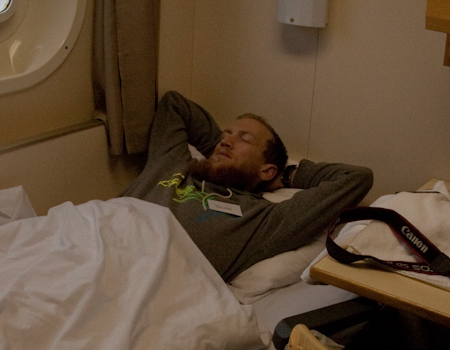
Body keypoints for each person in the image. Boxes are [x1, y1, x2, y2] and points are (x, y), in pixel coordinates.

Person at [121, 91, 371, 281]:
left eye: (245, 139)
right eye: (224, 136)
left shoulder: (261, 220)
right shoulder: (174, 163)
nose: (226, 141)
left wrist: (286, 176)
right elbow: (175, 104)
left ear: (267, 170)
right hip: (101, 235)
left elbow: (356, 178)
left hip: (141, 275)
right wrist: (219, 157)